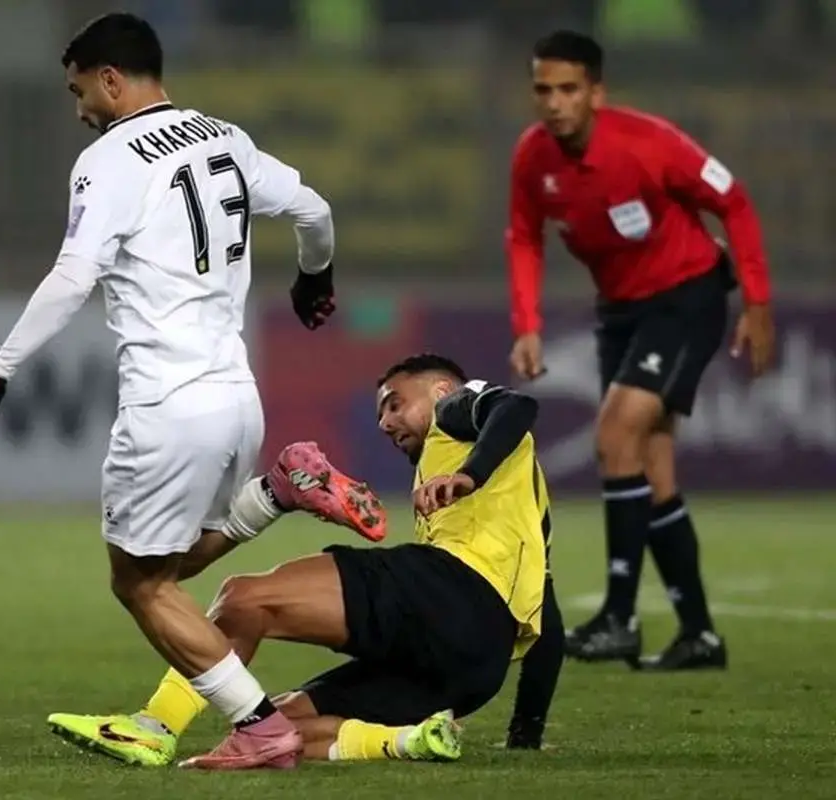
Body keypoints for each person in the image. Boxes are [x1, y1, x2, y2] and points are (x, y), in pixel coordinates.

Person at [0, 13, 355, 771]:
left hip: (168, 405)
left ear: (110, 79)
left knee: (138, 584)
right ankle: (279, 491)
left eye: (79, 92)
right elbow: (314, 211)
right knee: (167, 568)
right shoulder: (223, 137)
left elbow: (74, 274)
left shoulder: (109, 160)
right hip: (237, 398)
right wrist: (314, 275)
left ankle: (261, 728)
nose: (79, 110)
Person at [47, 353, 564, 765]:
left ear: (441, 389)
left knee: (243, 599)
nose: (385, 422)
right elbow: (549, 620)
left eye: (394, 404)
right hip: (478, 667)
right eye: (380, 414)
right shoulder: (522, 508)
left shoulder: (454, 415)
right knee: (278, 724)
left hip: (452, 593)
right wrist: (526, 732)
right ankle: (409, 741)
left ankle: (154, 726)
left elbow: (514, 406)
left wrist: (469, 473)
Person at [506, 30, 775, 669]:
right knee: (650, 467)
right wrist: (528, 323)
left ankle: (619, 619)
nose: (554, 103)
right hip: (621, 313)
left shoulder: (650, 143)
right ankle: (699, 635)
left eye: (568, 89)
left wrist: (758, 303)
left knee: (615, 435)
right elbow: (524, 234)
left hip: (686, 297)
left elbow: (732, 200)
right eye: (543, 89)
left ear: (596, 93)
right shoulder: (533, 157)